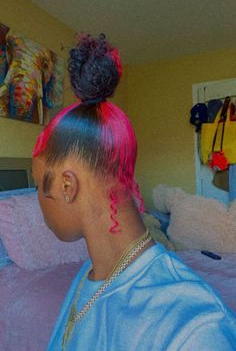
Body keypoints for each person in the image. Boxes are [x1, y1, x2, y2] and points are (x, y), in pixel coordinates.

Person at [32, 33, 236, 351]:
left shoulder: (194, 332)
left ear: (66, 186)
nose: (39, 202)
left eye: (37, 186)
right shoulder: (90, 275)